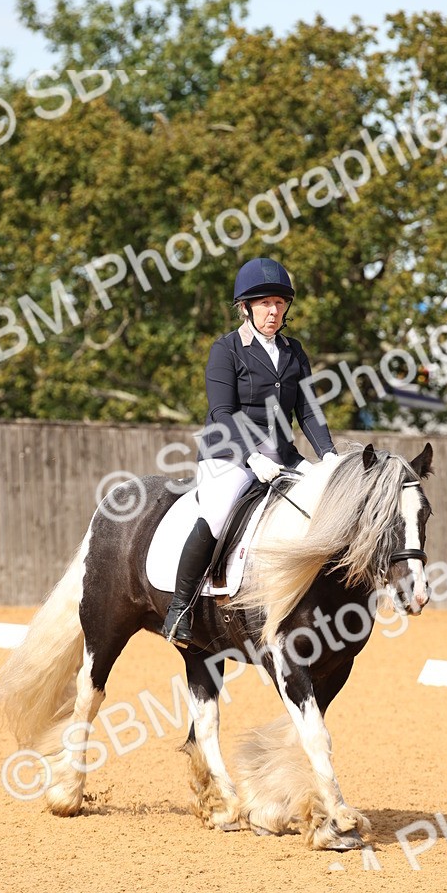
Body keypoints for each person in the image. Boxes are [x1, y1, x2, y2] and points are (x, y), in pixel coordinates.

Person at [162, 256, 338, 646]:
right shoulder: (226, 350)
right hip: (228, 454)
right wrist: (251, 457)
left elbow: (307, 409)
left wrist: (328, 456)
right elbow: (222, 412)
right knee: (219, 513)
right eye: (264, 304)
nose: (273, 311)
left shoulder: (294, 352)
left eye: (279, 303)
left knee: (327, 503)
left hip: (282, 456)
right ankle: (180, 608)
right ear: (246, 307)